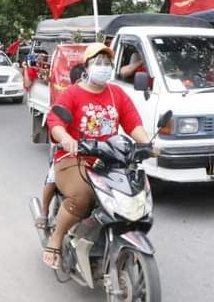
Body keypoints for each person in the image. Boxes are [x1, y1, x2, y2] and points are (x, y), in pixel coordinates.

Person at [42, 44, 149, 269]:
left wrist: (148, 144)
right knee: (82, 195)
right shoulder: (73, 93)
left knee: (133, 192)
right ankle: (56, 239)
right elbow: (55, 121)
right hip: (74, 158)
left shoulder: (116, 93)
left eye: (107, 63)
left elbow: (133, 124)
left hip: (109, 159)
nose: (103, 67)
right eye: (97, 62)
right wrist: (65, 138)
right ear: (86, 67)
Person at [35, 63, 87, 230]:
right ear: (79, 80)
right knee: (52, 178)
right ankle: (44, 212)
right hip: (65, 150)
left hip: (92, 152)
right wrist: (65, 139)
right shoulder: (68, 97)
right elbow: (56, 123)